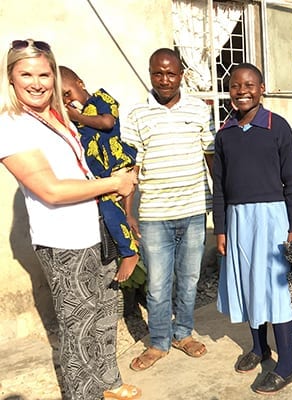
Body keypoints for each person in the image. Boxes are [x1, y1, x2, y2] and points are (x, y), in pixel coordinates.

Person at [0, 39, 140, 399]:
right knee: (78, 327)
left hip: (95, 229)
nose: (37, 82)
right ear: (11, 79)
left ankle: (109, 382)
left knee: (106, 311)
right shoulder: (12, 125)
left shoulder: (60, 117)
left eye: (44, 73)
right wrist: (114, 182)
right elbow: (50, 190)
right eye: (26, 74)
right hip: (64, 242)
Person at [121, 48, 215, 371]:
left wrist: (221, 204)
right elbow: (130, 169)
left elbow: (211, 157)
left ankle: (183, 333)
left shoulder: (200, 110)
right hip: (154, 216)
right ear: (150, 74)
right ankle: (159, 342)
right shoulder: (136, 114)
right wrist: (128, 212)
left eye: (170, 73)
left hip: (193, 210)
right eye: (157, 73)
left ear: (181, 75)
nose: (164, 80)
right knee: (158, 284)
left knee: (189, 279)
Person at [213, 63, 292, 395]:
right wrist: (220, 228)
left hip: (271, 219)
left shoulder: (277, 127)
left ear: (261, 88)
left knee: (274, 290)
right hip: (238, 220)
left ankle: (287, 364)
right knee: (249, 284)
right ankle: (259, 348)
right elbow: (219, 186)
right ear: (230, 91)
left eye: (249, 84)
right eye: (235, 85)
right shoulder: (224, 133)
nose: (242, 90)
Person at [59, 65, 140, 284]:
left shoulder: (102, 99)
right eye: (61, 98)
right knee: (111, 212)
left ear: (81, 84)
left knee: (108, 209)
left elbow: (108, 122)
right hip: (102, 177)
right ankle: (126, 244)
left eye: (68, 93)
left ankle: (129, 253)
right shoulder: (75, 119)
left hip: (115, 163)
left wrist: (78, 117)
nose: (67, 101)